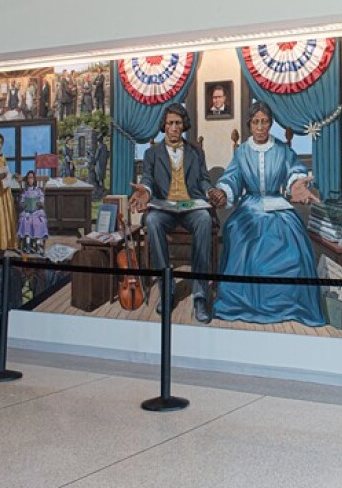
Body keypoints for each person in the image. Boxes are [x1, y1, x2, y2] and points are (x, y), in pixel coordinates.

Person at [208, 101, 324, 326]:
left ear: (271, 124)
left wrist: (296, 184)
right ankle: (245, 301)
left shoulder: (282, 149)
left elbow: (295, 171)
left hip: (277, 202)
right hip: (249, 203)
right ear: (249, 125)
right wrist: (223, 191)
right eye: (255, 122)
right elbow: (232, 178)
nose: (260, 127)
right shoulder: (242, 152)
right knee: (240, 231)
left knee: (293, 235)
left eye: (265, 122)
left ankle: (288, 302)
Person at [129, 104, 215, 322]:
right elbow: (147, 178)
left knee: (204, 218)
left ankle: (200, 295)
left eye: (178, 123)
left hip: (190, 207)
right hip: (165, 208)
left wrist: (209, 190)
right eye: (170, 123)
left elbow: (204, 179)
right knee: (154, 219)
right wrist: (146, 192)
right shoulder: (151, 154)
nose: (174, 127)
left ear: (183, 125)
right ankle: (167, 289)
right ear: (164, 126)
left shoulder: (197, 152)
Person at [17, 171, 49, 254]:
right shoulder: (25, 191)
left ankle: (38, 246)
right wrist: (23, 204)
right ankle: (27, 246)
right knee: (26, 221)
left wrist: (39, 203)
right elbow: (21, 201)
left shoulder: (38, 190)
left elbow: (42, 200)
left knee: (38, 223)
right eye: (28, 178)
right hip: (27, 211)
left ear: (34, 179)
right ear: (27, 180)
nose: (30, 180)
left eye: (32, 178)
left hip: (36, 211)